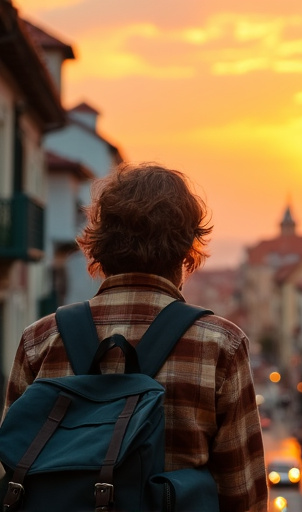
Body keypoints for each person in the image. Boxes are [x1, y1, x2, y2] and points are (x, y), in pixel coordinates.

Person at [2, 162, 269, 512]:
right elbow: (242, 496)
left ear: (97, 245)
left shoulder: (39, 340)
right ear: (187, 249)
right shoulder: (220, 345)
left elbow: (13, 468)